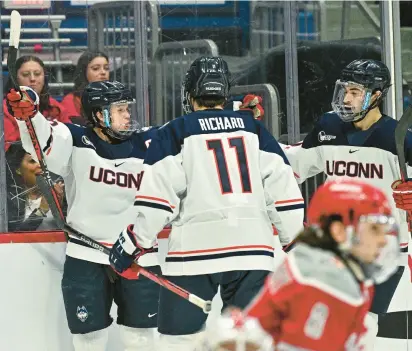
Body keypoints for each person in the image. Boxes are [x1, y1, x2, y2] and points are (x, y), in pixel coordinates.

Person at [109, 56, 305, 351]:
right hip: (252, 251)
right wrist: (294, 242)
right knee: (249, 340)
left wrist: (134, 243)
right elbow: (285, 190)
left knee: (179, 342)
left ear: (189, 94)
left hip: (193, 253)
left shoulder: (175, 132)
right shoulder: (254, 129)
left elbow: (156, 201)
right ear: (225, 93)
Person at [251, 58, 411, 348]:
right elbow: (291, 165)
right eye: (344, 90)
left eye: (355, 92)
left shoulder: (398, 140)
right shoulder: (328, 126)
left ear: (376, 95)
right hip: (331, 250)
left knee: (362, 325)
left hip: (379, 252)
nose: (346, 98)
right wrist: (253, 135)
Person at [5, 81, 160, 351]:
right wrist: (28, 110)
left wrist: (239, 113)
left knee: (142, 338)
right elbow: (40, 136)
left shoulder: (147, 142)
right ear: (100, 115)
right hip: (86, 255)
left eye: (127, 109)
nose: (128, 115)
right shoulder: (74, 139)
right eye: (120, 109)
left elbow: (192, 134)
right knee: (89, 340)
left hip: (138, 253)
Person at [196, 179, 400, 351]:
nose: (383, 240)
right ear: (339, 231)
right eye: (374, 228)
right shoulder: (330, 284)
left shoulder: (316, 260)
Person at [3, 55, 71, 150]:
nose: (32, 79)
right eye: (26, 74)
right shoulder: (5, 109)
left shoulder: (55, 106)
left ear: (44, 78)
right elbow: (9, 148)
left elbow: (70, 139)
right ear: (15, 79)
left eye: (37, 74)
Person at [5, 142, 64, 231]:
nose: (40, 165)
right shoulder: (8, 201)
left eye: (42, 159)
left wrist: (62, 207)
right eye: (33, 161)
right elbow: (15, 240)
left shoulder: (64, 194)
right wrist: (42, 210)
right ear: (18, 169)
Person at [61, 51, 110, 124]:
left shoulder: (115, 97)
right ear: (84, 72)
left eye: (106, 68)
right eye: (96, 68)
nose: (103, 72)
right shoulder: (71, 100)